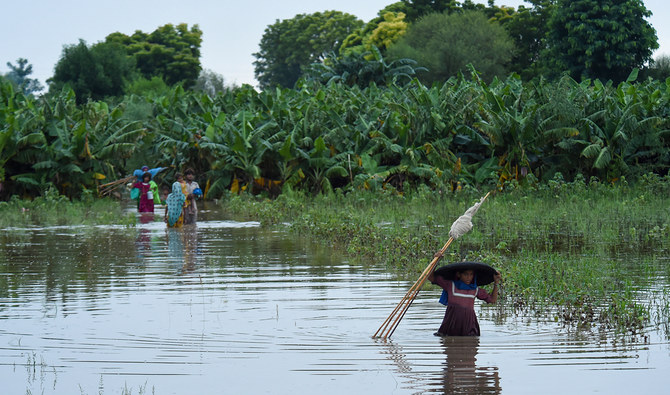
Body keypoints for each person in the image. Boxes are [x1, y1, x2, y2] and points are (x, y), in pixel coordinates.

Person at [428, 259, 501, 337]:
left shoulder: (475, 290)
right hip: (452, 324)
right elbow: (430, 277)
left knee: (470, 344)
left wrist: (496, 283)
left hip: (469, 325)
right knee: (449, 343)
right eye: (466, 274)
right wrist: (436, 260)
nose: (469, 277)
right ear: (459, 275)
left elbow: (492, 300)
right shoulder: (451, 285)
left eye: (471, 274)